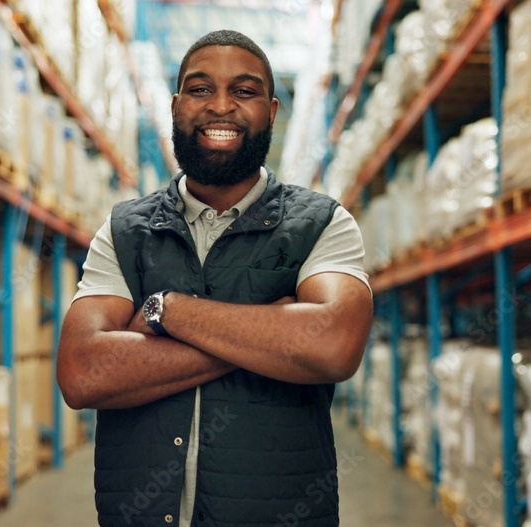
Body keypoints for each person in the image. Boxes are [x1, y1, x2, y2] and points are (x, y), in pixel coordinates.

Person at [57, 29, 373, 527]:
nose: (220, 106)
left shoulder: (321, 225)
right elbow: (81, 373)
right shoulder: (124, 231)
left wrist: (167, 310)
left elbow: (333, 342)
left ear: (271, 111)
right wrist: (267, 334)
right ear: (176, 105)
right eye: (201, 89)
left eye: (243, 91)